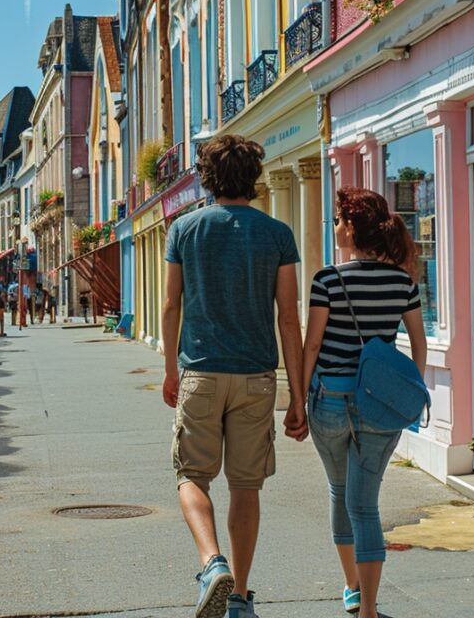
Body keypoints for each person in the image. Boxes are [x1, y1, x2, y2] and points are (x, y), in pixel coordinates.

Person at [161, 134, 306, 618]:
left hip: (200, 373)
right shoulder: (276, 234)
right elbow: (289, 317)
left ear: (207, 177)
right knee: (247, 487)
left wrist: (169, 371)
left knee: (191, 475)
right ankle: (240, 597)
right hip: (256, 378)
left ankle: (211, 562)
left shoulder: (184, 230)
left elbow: (170, 304)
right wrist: (298, 394)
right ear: (254, 177)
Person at [301, 186, 428, 618]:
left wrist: (300, 398)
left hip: (331, 401)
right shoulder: (402, 282)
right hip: (379, 406)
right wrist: (411, 388)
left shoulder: (328, 279)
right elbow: (418, 342)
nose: (335, 226)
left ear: (353, 227)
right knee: (365, 503)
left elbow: (313, 343)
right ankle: (369, 608)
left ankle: (353, 588)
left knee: (340, 493)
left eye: (339, 220)